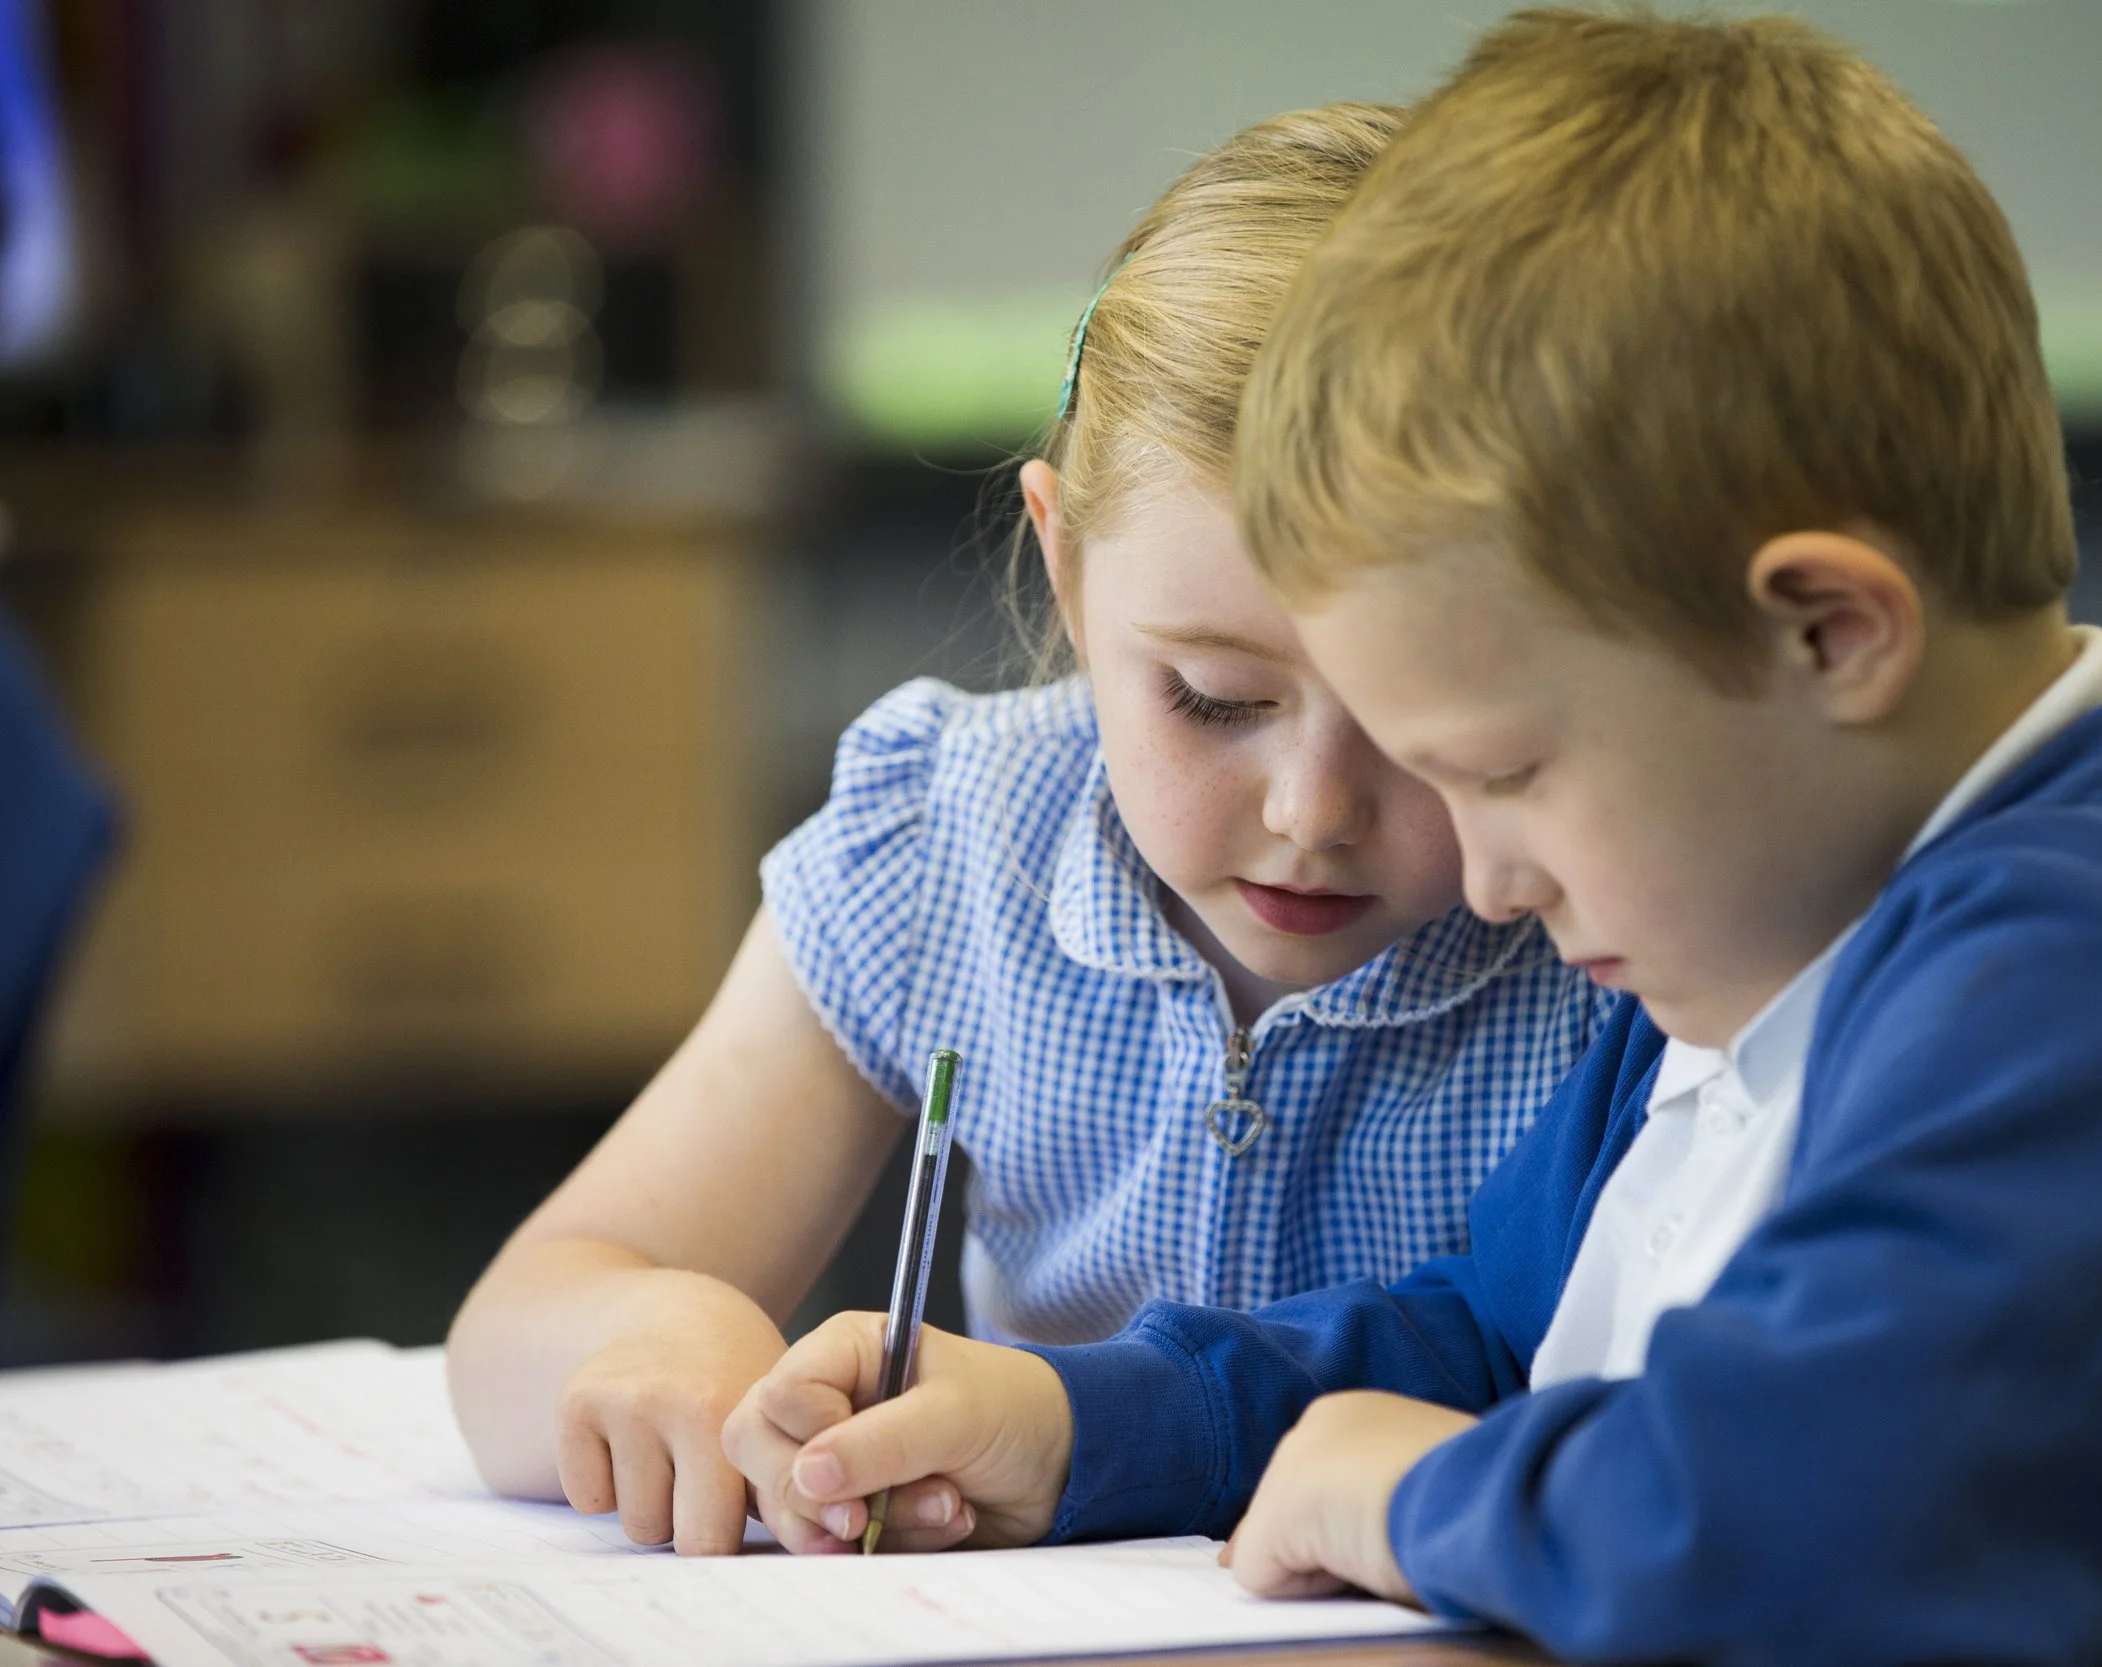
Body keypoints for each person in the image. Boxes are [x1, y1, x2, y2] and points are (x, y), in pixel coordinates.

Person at [719, 13, 2102, 1662]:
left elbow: (1817, 1528)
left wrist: (1420, 1496)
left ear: (1829, 637)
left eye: (1512, 769)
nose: (1487, 878)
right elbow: (1483, 1339)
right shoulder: (1775, 933)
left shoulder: (2091, 986)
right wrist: (1089, 1417)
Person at [445, 103, 1611, 1560]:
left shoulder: (1616, 926)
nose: (1313, 811)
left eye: (1419, 719)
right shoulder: (953, 837)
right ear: (1067, 572)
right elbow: (513, 1324)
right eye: (1212, 697)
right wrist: (659, 1325)